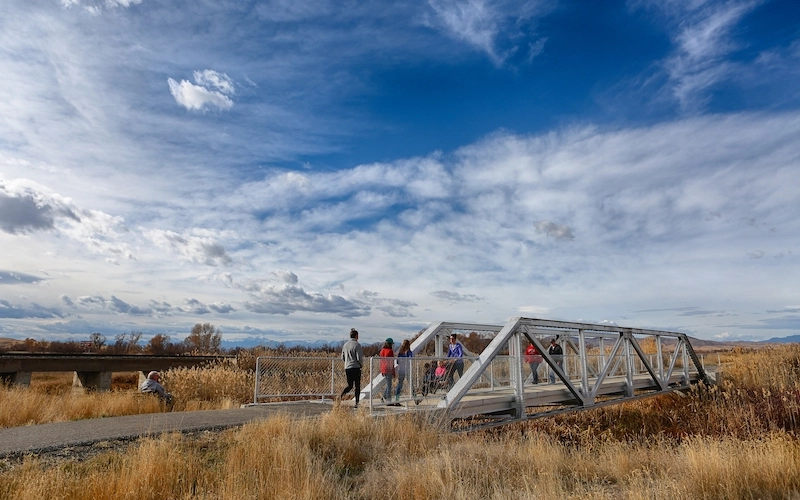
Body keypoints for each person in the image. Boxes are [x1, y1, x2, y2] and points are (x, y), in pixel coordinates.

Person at [340, 328, 364, 407]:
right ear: (356, 336)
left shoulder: (345, 345)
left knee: (350, 385)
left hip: (347, 367)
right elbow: (358, 357)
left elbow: (342, 357)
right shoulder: (357, 345)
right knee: (357, 386)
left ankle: (341, 396)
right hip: (356, 367)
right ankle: (356, 403)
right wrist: (361, 364)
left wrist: (347, 362)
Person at [379, 338, 395, 402]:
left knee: (388, 384)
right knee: (389, 385)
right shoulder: (390, 351)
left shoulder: (382, 350)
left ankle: (383, 397)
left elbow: (381, 361)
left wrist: (381, 370)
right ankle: (388, 399)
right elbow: (391, 362)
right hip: (388, 369)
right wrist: (393, 371)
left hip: (383, 368)